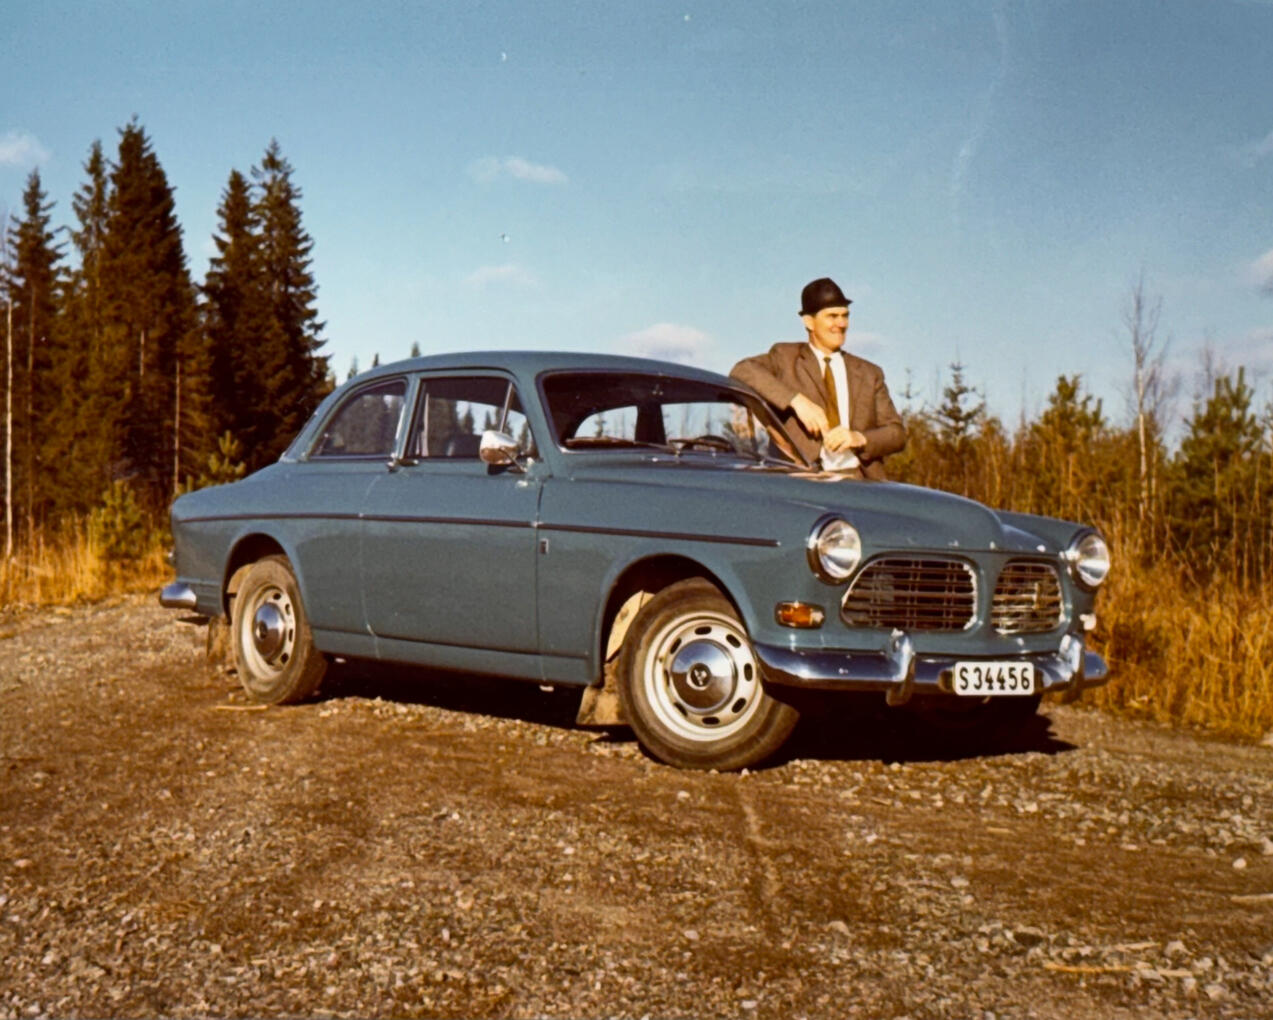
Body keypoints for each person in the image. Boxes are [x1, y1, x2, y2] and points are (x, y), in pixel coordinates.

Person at [730, 277, 905, 479]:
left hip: (860, 483)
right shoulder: (785, 357)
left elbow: (896, 434)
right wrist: (796, 401)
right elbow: (742, 370)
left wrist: (859, 438)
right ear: (809, 321)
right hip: (803, 480)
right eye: (832, 316)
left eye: (845, 316)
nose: (841, 324)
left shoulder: (869, 373)